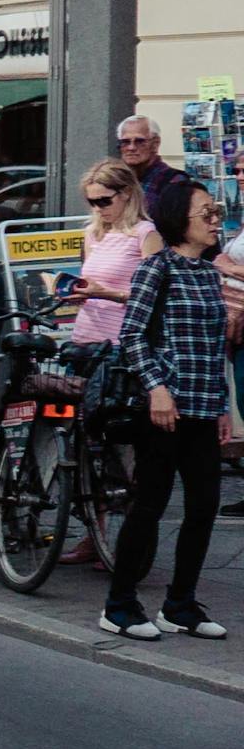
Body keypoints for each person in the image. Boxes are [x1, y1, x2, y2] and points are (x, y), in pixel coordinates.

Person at [104, 180, 232, 640]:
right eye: (207, 213)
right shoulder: (156, 269)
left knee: (203, 507)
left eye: (216, 212)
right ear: (181, 219)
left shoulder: (208, 273)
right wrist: (157, 388)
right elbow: (132, 336)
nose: (216, 220)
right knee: (150, 506)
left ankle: (180, 604)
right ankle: (118, 605)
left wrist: (222, 406)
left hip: (203, 406)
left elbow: (216, 345)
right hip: (163, 409)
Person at [67, 160, 159, 348]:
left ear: (126, 193)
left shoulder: (145, 233)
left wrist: (106, 294)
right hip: (83, 337)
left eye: (104, 201)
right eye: (92, 202)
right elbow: (89, 283)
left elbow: (154, 297)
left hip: (119, 342)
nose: (98, 209)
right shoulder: (93, 233)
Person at [116, 115, 198, 214]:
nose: (131, 147)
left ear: (155, 144)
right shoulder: (116, 181)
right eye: (125, 142)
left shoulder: (175, 182)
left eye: (140, 141)